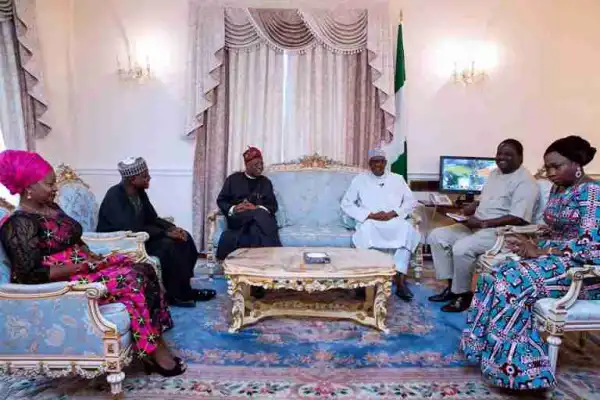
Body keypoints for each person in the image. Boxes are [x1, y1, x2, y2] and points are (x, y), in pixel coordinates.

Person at [0, 150, 184, 376]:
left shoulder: (51, 208)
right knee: (132, 277)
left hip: (84, 264)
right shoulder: (19, 223)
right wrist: (79, 266)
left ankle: (154, 340)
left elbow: (73, 238)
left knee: (144, 267)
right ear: (29, 188)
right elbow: (31, 274)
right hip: (66, 281)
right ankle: (153, 350)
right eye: (49, 184)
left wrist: (90, 257)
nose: (55, 188)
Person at [461, 135, 600, 390]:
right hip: (556, 262)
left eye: (556, 166)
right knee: (495, 274)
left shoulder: (592, 193)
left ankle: (523, 371)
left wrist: (540, 250)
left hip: (582, 273)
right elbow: (553, 229)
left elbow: (591, 248)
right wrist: (524, 240)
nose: (549, 173)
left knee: (511, 281)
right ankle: (486, 353)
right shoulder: (561, 189)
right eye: (547, 167)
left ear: (577, 165)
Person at [428, 139, 539, 312]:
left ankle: (463, 295)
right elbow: (486, 197)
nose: (502, 158)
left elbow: (519, 218)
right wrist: (474, 206)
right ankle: (451, 288)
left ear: (520, 157)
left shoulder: (525, 182)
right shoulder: (495, 173)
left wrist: (483, 223)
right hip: (476, 225)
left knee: (461, 248)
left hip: (499, 232)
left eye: (508, 154)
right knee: (437, 236)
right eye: (499, 153)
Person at [97, 157, 215, 308]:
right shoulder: (115, 196)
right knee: (167, 247)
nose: (149, 178)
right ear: (133, 179)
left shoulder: (139, 192)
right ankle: (175, 296)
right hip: (121, 242)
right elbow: (130, 227)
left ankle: (185, 290)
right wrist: (165, 234)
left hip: (141, 236)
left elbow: (152, 218)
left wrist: (172, 228)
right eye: (145, 176)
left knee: (184, 237)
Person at [341, 148, 421, 301]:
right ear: (369, 163)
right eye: (374, 162)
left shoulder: (397, 179)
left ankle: (400, 281)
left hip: (394, 220)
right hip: (370, 221)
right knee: (364, 234)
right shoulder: (359, 179)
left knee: (406, 232)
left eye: (380, 161)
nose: (377, 165)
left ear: (385, 163)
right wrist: (370, 215)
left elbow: (411, 202)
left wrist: (393, 213)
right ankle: (364, 282)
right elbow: (346, 204)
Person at [216, 147, 281, 261]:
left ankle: (252, 264)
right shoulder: (233, 179)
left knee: (255, 225)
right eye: (256, 164)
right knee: (259, 215)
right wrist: (234, 208)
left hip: (258, 223)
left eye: (261, 163)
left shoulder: (265, 182)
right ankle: (275, 255)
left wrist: (256, 207)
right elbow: (221, 200)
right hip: (240, 219)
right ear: (247, 165)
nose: (260, 167)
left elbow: (273, 206)